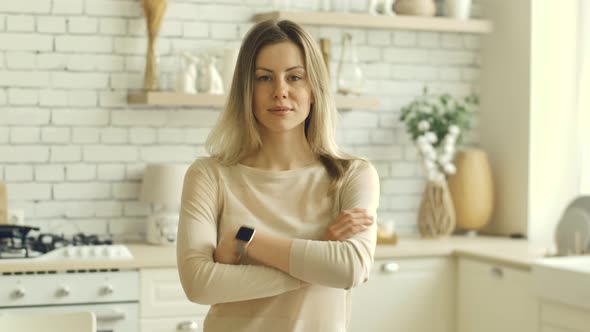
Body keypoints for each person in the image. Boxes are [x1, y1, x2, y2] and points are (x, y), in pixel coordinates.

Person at [176, 19, 380, 332]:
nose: (280, 92)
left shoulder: (352, 175)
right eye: (264, 78)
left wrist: (247, 241)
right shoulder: (209, 176)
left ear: (313, 90)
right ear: (247, 90)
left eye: (295, 77)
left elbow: (351, 267)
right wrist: (316, 256)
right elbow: (200, 285)